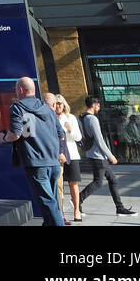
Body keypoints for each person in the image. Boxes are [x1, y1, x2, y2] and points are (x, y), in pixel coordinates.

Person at [0, 77, 66, 227]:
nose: (16, 92)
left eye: (16, 89)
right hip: (53, 163)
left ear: (21, 90)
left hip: (36, 163)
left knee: (48, 204)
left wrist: (3, 137)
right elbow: (61, 135)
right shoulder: (47, 109)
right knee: (51, 203)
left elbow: (15, 134)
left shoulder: (18, 107)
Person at [78, 94, 137, 217]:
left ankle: (119, 208)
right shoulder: (92, 119)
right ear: (94, 105)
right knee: (98, 182)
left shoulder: (82, 117)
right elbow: (99, 140)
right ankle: (77, 199)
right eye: (98, 105)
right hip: (98, 155)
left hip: (92, 153)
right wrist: (110, 155)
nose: (99, 107)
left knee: (113, 180)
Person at [53, 94, 84, 223]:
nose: (58, 106)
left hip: (71, 153)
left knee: (73, 183)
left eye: (60, 103)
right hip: (58, 155)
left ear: (64, 105)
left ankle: (77, 210)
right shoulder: (51, 118)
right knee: (59, 185)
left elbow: (78, 137)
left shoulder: (70, 118)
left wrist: (70, 129)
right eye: (56, 103)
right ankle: (61, 213)